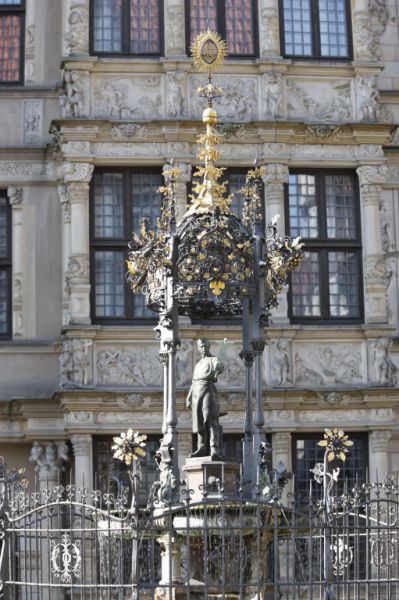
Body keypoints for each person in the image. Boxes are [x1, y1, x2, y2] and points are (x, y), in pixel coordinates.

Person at [186, 338, 225, 458]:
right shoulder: (198, 364)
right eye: (201, 346)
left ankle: (214, 448)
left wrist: (218, 366)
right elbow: (194, 381)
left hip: (207, 388)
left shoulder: (213, 359)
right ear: (198, 348)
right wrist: (189, 396)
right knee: (199, 422)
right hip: (196, 392)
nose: (203, 349)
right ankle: (202, 447)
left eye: (205, 346)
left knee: (210, 419)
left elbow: (220, 368)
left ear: (208, 346)